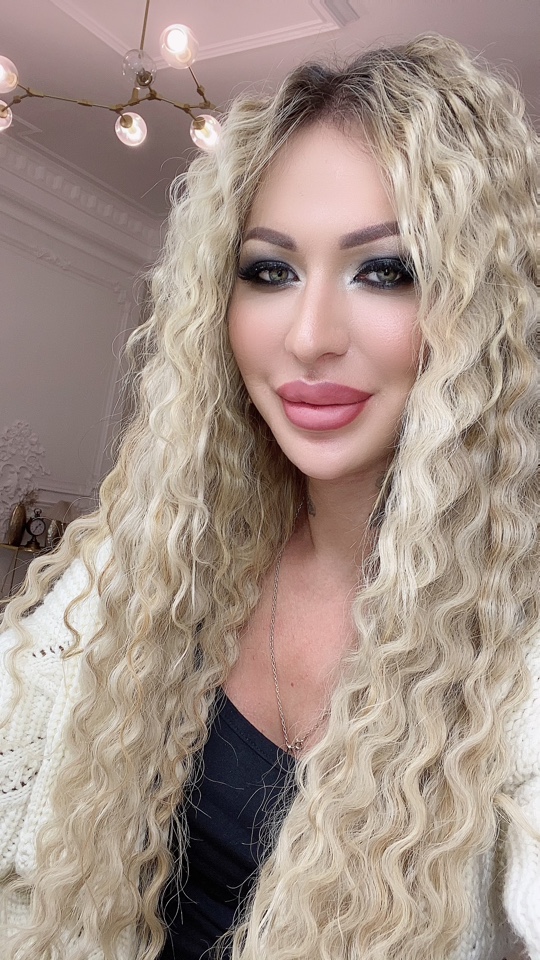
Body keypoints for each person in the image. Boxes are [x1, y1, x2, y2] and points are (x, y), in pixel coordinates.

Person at [0, 32, 537, 960]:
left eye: (387, 270)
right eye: (271, 271)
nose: (308, 335)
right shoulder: (145, 563)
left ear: (483, 312)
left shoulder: (519, 662)